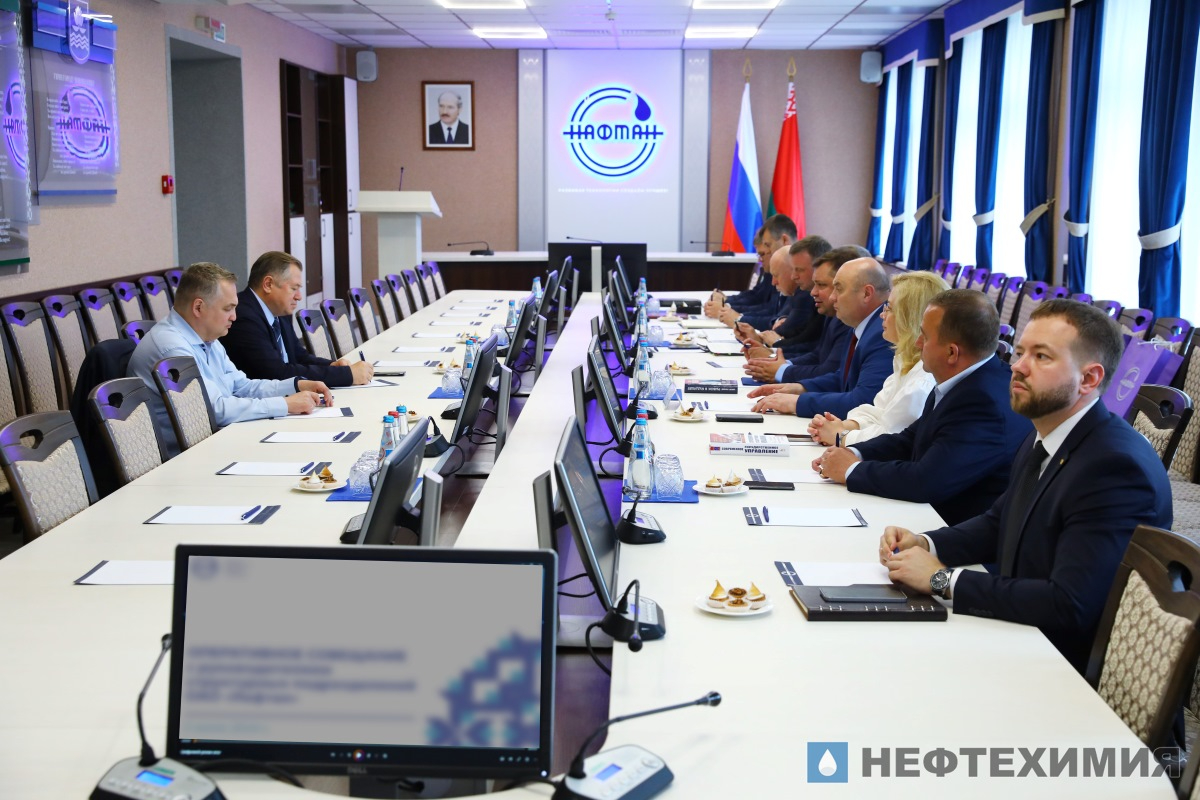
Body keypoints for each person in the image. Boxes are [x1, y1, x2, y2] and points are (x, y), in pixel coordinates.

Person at [880, 299, 1172, 673]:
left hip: (1059, 670)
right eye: (1020, 352)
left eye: (1041, 356)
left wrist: (941, 580)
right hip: (1019, 634)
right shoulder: (1048, 432)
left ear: (1088, 379)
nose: (1018, 366)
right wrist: (925, 543)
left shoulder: (1114, 468)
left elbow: (1068, 605)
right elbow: (999, 522)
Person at [814, 289, 1032, 525]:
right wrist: (854, 453)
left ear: (951, 352)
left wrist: (851, 470)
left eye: (925, 337)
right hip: (928, 516)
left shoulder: (982, 402)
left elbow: (926, 481)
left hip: (949, 527)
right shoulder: (962, 380)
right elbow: (909, 439)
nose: (917, 343)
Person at [128, 262, 334, 457]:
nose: (234, 316)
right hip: (185, 458)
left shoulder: (207, 337)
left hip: (212, 443)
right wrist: (285, 404)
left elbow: (242, 386)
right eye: (228, 308)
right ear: (198, 307)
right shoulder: (172, 348)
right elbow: (214, 411)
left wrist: (295, 385)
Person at [808, 270, 948, 447]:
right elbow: (877, 412)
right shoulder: (904, 362)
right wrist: (845, 426)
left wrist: (841, 437)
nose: (882, 314)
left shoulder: (921, 382)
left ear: (909, 318)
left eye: (889, 308)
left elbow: (891, 436)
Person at [747, 257, 892, 419]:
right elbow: (842, 379)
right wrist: (799, 388)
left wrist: (797, 402)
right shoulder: (863, 325)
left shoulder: (883, 333)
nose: (832, 297)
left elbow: (863, 402)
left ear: (866, 293)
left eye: (839, 289)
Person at [223, 251, 374, 387]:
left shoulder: (278, 311)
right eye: (294, 288)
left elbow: (299, 356)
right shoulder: (243, 317)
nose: (299, 296)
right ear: (268, 284)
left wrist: (332, 366)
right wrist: (346, 375)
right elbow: (277, 373)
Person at [735, 235, 830, 353]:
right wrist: (761, 340)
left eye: (799, 270)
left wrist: (773, 344)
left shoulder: (809, 295)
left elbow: (810, 347)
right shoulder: (805, 291)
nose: (793, 276)